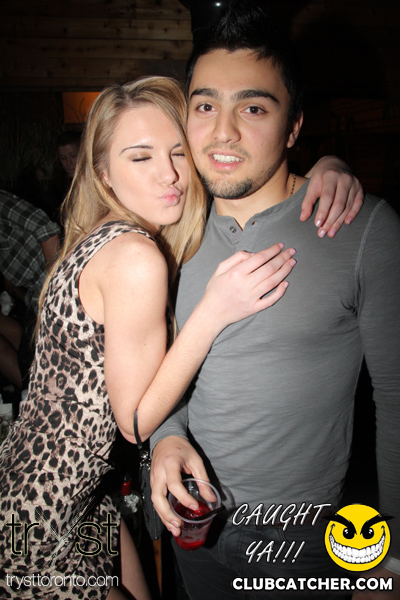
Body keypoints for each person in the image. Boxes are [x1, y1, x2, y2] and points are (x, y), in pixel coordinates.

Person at [0, 75, 303, 600]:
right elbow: (136, 422)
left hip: (65, 492)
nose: (170, 175)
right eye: (141, 157)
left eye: (178, 152)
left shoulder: (102, 235)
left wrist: (324, 169)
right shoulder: (136, 257)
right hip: (41, 518)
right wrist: (214, 310)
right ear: (103, 173)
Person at [149, 3, 400, 599]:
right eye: (205, 106)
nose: (223, 132)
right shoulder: (166, 233)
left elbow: (395, 396)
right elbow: (162, 373)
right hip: (195, 530)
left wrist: (393, 553)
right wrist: (166, 437)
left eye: (253, 108)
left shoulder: (364, 228)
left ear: (294, 127)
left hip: (306, 544)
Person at [0, 190, 60, 391]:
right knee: (31, 364)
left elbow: (46, 230)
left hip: (53, 293)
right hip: (36, 297)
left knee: (37, 373)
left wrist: (55, 289)